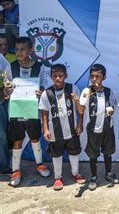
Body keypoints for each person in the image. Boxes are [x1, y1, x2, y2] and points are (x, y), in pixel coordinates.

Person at [5, 36, 51, 187]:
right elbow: (6, 89)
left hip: (33, 110)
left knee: (35, 138)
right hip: (17, 109)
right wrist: (6, 91)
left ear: (30, 50)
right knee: (17, 140)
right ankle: (16, 170)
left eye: (23, 49)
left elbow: (44, 87)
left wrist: (41, 92)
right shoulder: (10, 67)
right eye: (17, 50)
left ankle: (39, 164)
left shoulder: (40, 67)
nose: (19, 53)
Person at [40, 64, 86, 190]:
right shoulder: (47, 93)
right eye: (55, 76)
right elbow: (44, 113)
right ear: (51, 77)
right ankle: (58, 177)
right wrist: (45, 129)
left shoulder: (72, 88)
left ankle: (75, 173)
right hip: (55, 131)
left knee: (74, 152)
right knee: (56, 154)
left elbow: (80, 109)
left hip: (71, 129)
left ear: (65, 75)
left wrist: (80, 124)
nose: (58, 79)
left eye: (60, 76)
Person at [79, 64, 119, 191]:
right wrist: (76, 101)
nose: (95, 79)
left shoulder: (108, 92)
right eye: (92, 76)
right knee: (93, 154)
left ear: (104, 77)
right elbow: (81, 109)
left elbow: (113, 107)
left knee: (108, 152)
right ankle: (94, 177)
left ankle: (108, 173)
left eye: (98, 76)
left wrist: (111, 111)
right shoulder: (87, 91)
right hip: (93, 130)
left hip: (107, 128)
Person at [0, 53, 12, 174]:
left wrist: (5, 93)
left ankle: (3, 166)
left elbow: (7, 80)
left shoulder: (1, 60)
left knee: (2, 137)